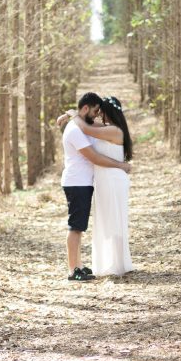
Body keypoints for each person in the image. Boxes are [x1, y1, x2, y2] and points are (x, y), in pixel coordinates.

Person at [59, 92, 131, 281]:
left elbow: (90, 128)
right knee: (76, 226)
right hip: (78, 182)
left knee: (80, 226)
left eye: (101, 112)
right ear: (85, 109)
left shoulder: (93, 127)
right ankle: (74, 269)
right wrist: (120, 165)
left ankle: (79, 266)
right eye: (95, 111)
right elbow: (94, 157)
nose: (97, 115)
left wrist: (71, 115)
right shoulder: (76, 129)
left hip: (87, 182)